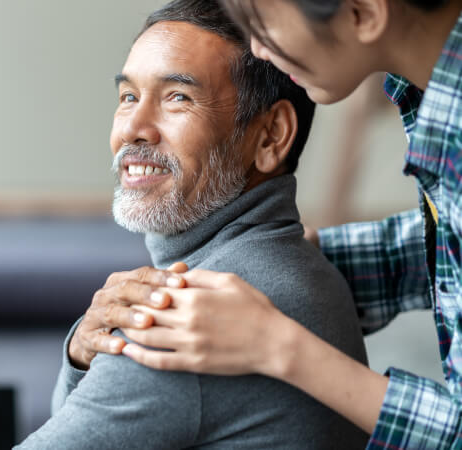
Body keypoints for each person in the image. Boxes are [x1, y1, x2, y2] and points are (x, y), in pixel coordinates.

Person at [69, 0, 462, 448]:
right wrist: (297, 271)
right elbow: (449, 235)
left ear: (363, 12)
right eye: (128, 96)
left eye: (264, 19)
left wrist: (280, 345)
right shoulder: (427, 96)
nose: (259, 46)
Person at [17, 1, 369, 448]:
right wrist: (82, 356)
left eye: (177, 97)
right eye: (128, 97)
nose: (134, 129)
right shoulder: (300, 268)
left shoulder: (192, 319)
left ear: (270, 135)